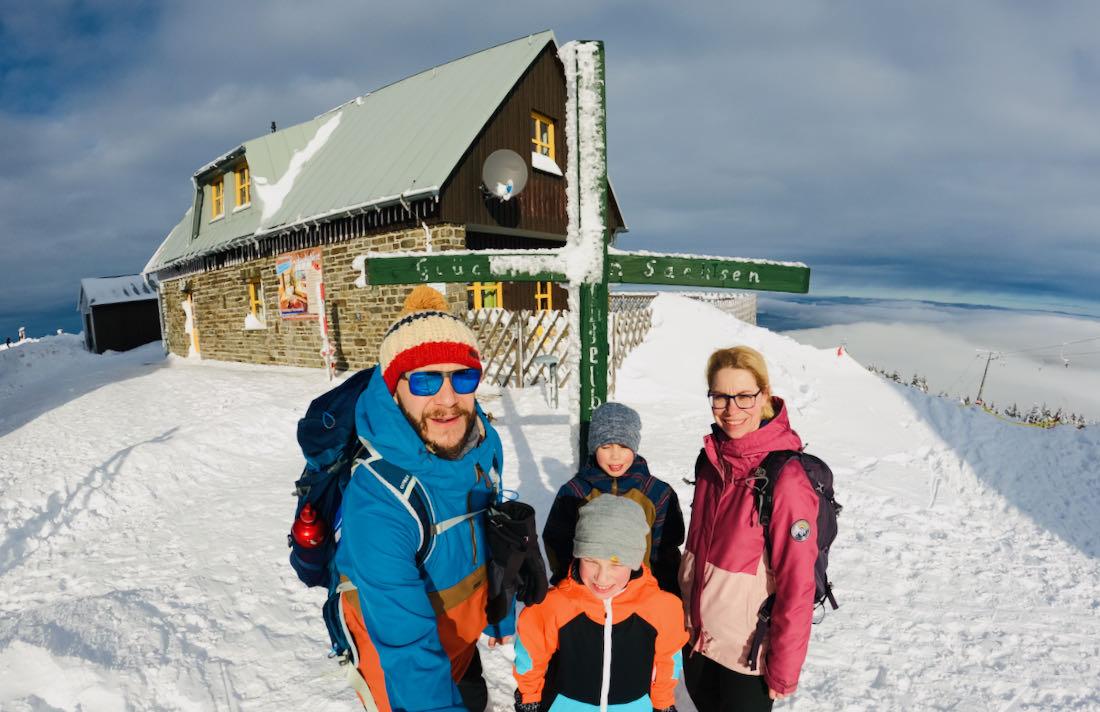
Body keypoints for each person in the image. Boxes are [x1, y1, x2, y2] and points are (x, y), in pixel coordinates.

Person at [334, 285, 514, 712]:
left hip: (463, 638)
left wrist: (499, 607)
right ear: (394, 390)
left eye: (463, 376)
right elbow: (408, 649)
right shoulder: (378, 500)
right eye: (426, 379)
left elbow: (488, 534)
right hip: (401, 669)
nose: (448, 399)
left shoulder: (484, 443)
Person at [680, 346, 818, 712]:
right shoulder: (711, 460)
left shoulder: (785, 477)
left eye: (743, 396)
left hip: (747, 657)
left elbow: (797, 581)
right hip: (696, 642)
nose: (731, 409)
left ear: (764, 394)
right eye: (720, 397)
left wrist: (785, 668)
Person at [513, 495, 688, 712]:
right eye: (591, 560)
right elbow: (532, 653)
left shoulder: (662, 608)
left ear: (634, 561)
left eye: (616, 565)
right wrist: (529, 697)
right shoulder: (554, 604)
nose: (602, 578)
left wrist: (662, 703)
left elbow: (667, 660)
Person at [543, 401, 684, 595]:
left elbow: (666, 549)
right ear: (594, 447)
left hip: (641, 594)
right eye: (606, 446)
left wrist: (666, 591)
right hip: (589, 589)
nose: (615, 456)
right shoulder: (574, 492)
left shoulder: (657, 493)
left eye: (624, 446)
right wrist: (567, 583)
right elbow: (558, 541)